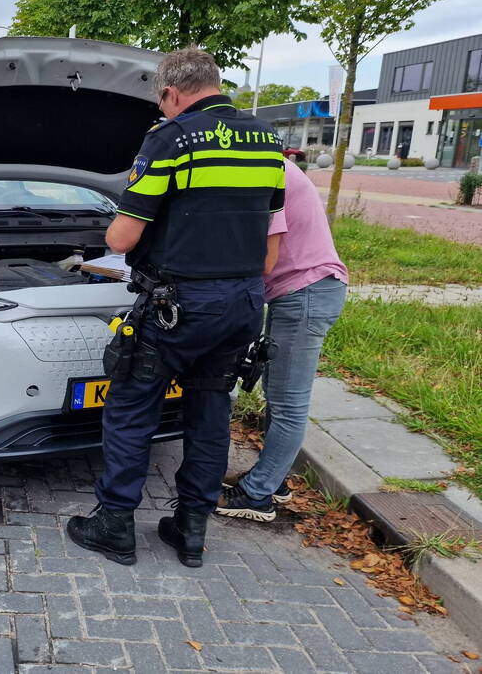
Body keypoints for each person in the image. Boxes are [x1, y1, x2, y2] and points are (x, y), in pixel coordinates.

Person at [67, 47, 285, 568]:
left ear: (170, 92)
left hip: (178, 305)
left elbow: (121, 238)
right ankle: (189, 528)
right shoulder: (268, 140)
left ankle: (115, 523)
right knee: (210, 410)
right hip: (242, 303)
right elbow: (271, 242)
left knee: (130, 407)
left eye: (160, 101)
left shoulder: (169, 139)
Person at [215, 158, 348, 522]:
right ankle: (273, 481)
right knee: (278, 394)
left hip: (306, 292)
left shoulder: (263, 173)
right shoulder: (270, 166)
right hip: (303, 291)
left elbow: (263, 259)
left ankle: (257, 496)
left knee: (288, 402)